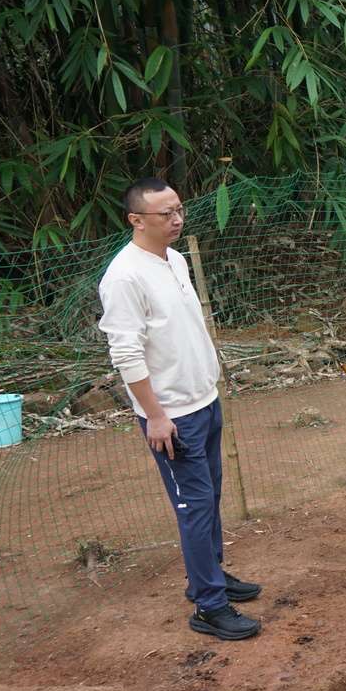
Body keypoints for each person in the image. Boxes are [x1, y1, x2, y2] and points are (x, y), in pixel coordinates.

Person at [97, 177, 261, 640]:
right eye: (164, 214)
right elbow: (125, 353)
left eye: (179, 211)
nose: (176, 220)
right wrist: (154, 414)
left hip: (204, 401)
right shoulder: (124, 277)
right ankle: (209, 606)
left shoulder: (177, 260)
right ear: (135, 220)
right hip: (171, 415)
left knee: (208, 498)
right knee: (193, 505)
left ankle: (207, 576)